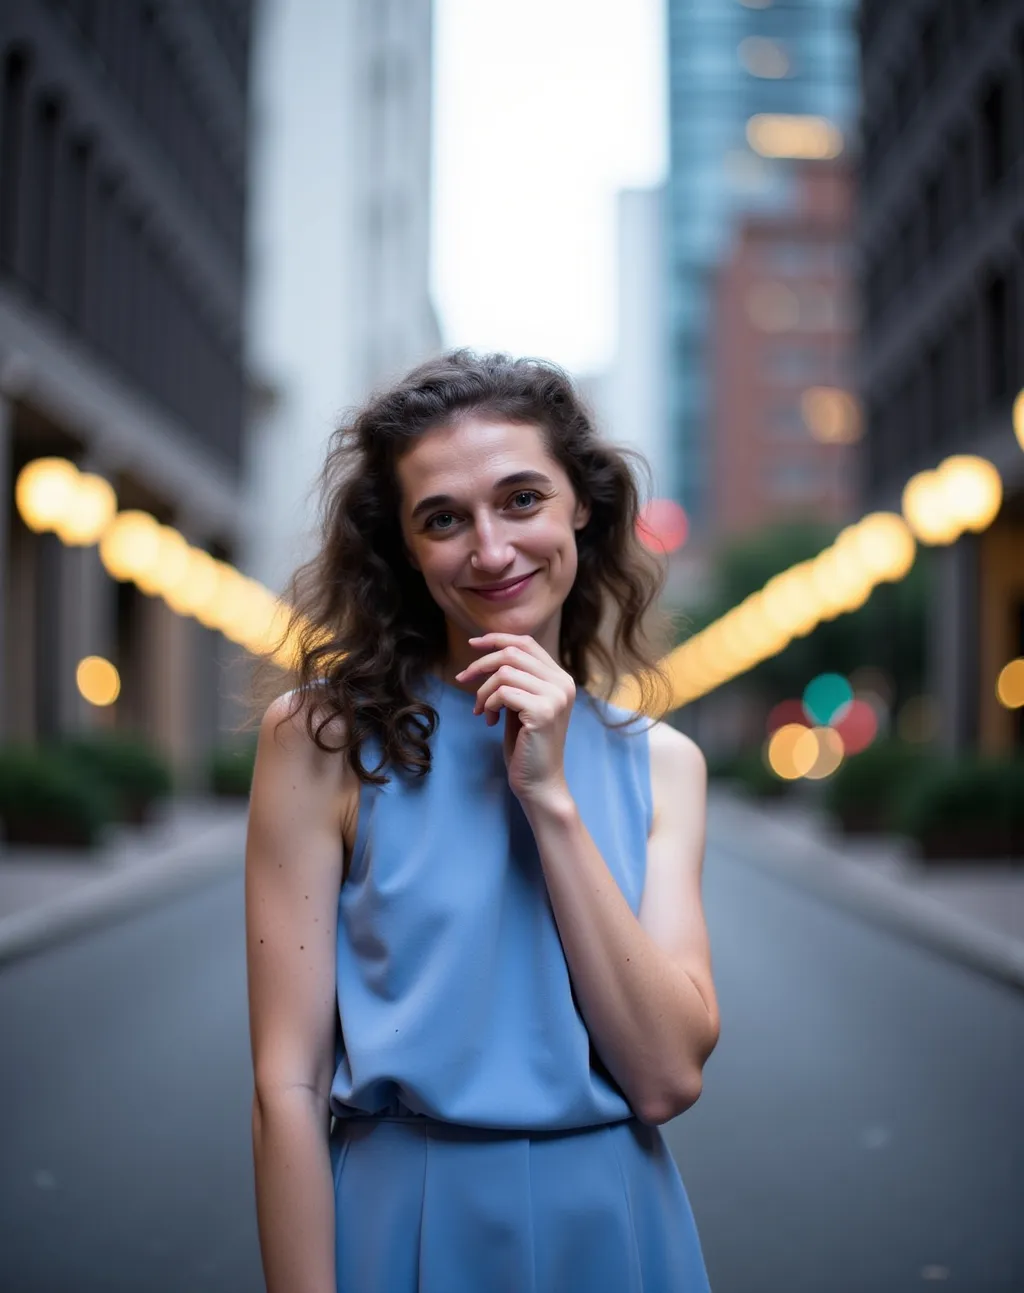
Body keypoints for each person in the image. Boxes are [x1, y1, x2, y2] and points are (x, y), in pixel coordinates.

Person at [244, 349, 719, 1292]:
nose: (493, 550)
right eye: (444, 519)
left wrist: (551, 800)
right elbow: (284, 1087)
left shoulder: (662, 764)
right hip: (402, 1222)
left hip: (616, 1227)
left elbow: (665, 1077)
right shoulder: (322, 739)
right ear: (406, 550)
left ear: (581, 503)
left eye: (522, 499)